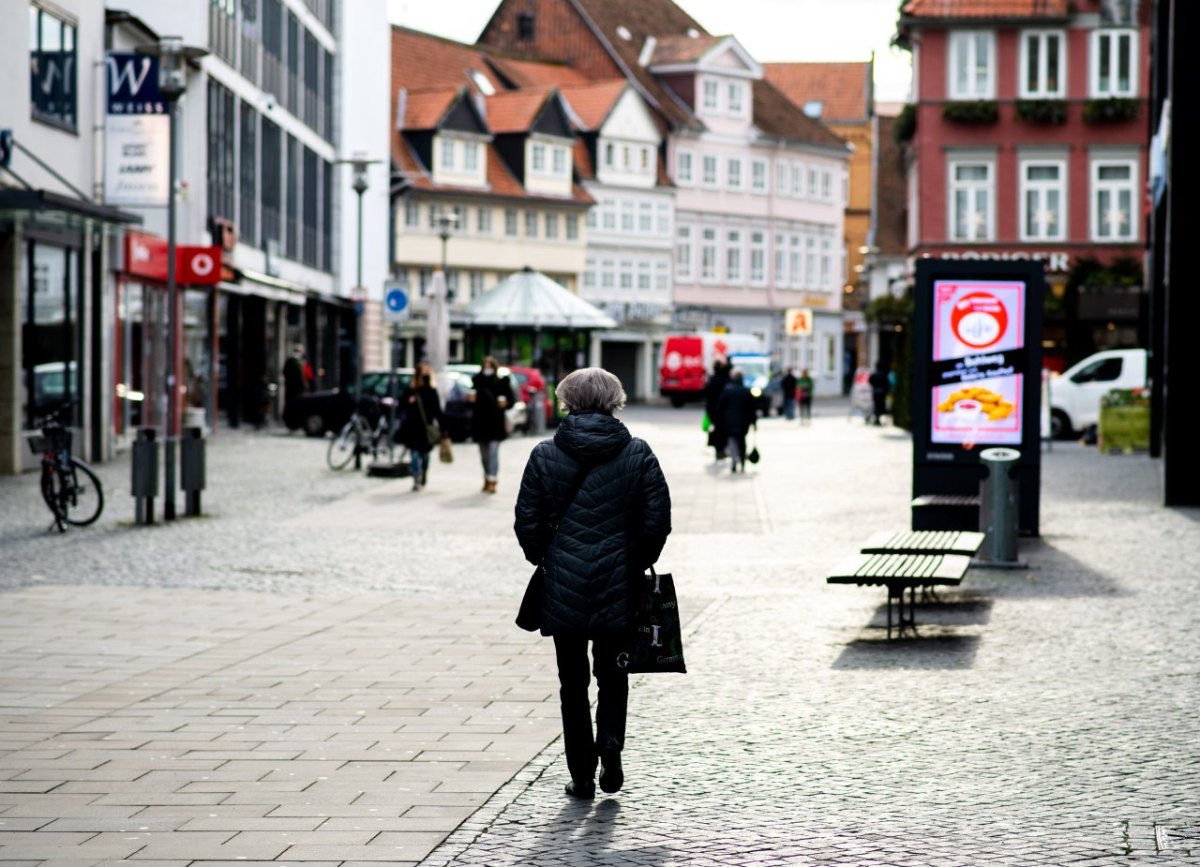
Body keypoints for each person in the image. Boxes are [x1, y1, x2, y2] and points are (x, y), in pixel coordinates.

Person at [514, 368, 671, 800]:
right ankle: (612, 745)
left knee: (572, 682)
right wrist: (634, 561)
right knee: (614, 674)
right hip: (619, 584)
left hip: (563, 585)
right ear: (614, 401)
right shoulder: (637, 453)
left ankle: (581, 774)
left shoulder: (545, 454)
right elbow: (657, 521)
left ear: (567, 401)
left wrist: (549, 559)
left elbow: (526, 522)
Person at [470, 356, 515, 494]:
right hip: (480, 423)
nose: (487, 367)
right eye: (485, 365)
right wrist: (470, 400)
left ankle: (493, 480)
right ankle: (486, 478)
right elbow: (469, 402)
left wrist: (505, 403)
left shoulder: (502, 381)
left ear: (494, 367)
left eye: (490, 365)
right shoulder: (476, 381)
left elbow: (511, 400)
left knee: (493, 453)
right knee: (484, 455)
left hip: (495, 422)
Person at [398, 362, 446, 490]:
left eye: (427, 371)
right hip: (412, 427)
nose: (424, 373)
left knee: (425, 456)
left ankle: (423, 473)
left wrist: (444, 428)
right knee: (414, 454)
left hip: (426, 428)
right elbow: (401, 405)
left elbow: (437, 411)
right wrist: (409, 402)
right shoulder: (411, 390)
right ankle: (416, 478)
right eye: (422, 370)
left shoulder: (432, 391)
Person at [716, 368, 757, 473]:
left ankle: (734, 461)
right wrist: (754, 422)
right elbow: (752, 409)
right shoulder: (746, 391)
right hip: (743, 423)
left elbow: (720, 407)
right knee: (742, 442)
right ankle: (742, 460)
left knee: (732, 441)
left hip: (729, 422)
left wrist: (719, 420)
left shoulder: (727, 390)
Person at [703, 358, 731, 461]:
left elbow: (707, 394)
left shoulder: (713, 379)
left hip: (714, 410)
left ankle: (719, 450)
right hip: (721, 410)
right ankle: (721, 450)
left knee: (717, 430)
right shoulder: (723, 379)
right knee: (722, 431)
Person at [282, 345, 308, 423]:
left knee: (290, 404)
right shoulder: (296, 362)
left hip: (290, 388)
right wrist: (303, 387)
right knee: (295, 405)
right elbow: (300, 377)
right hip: (296, 390)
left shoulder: (290, 361)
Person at [869, 362, 890, 426]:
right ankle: (878, 418)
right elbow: (887, 383)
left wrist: (874, 386)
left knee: (876, 405)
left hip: (876, 392)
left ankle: (877, 418)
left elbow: (870, 381)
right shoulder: (884, 374)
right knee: (881, 405)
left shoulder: (874, 374)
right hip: (882, 392)